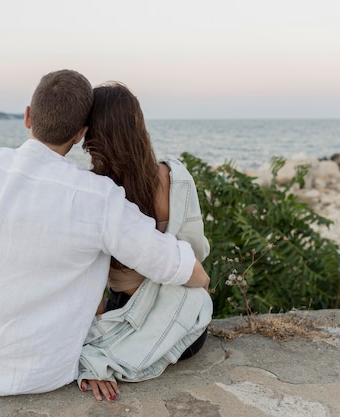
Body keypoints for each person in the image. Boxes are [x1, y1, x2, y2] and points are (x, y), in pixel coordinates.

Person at [0, 69, 210, 397]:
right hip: (40, 371)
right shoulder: (98, 197)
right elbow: (184, 269)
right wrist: (201, 283)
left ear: (27, 116)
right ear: (80, 134)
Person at [78, 81, 213, 401]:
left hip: (128, 321)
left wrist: (94, 343)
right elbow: (196, 252)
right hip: (188, 329)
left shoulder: (97, 194)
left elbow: (92, 283)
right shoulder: (177, 178)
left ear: (92, 135)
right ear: (138, 125)